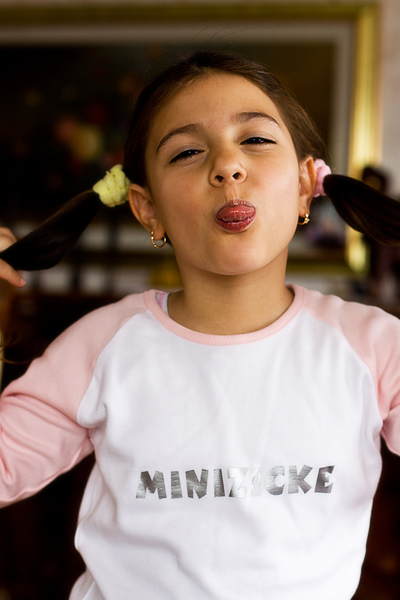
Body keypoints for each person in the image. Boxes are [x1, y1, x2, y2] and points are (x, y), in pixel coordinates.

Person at [0, 50, 400, 600]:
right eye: (187, 152)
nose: (227, 166)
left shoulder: (374, 346)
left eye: (255, 139)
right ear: (147, 209)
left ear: (306, 184)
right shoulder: (99, 347)